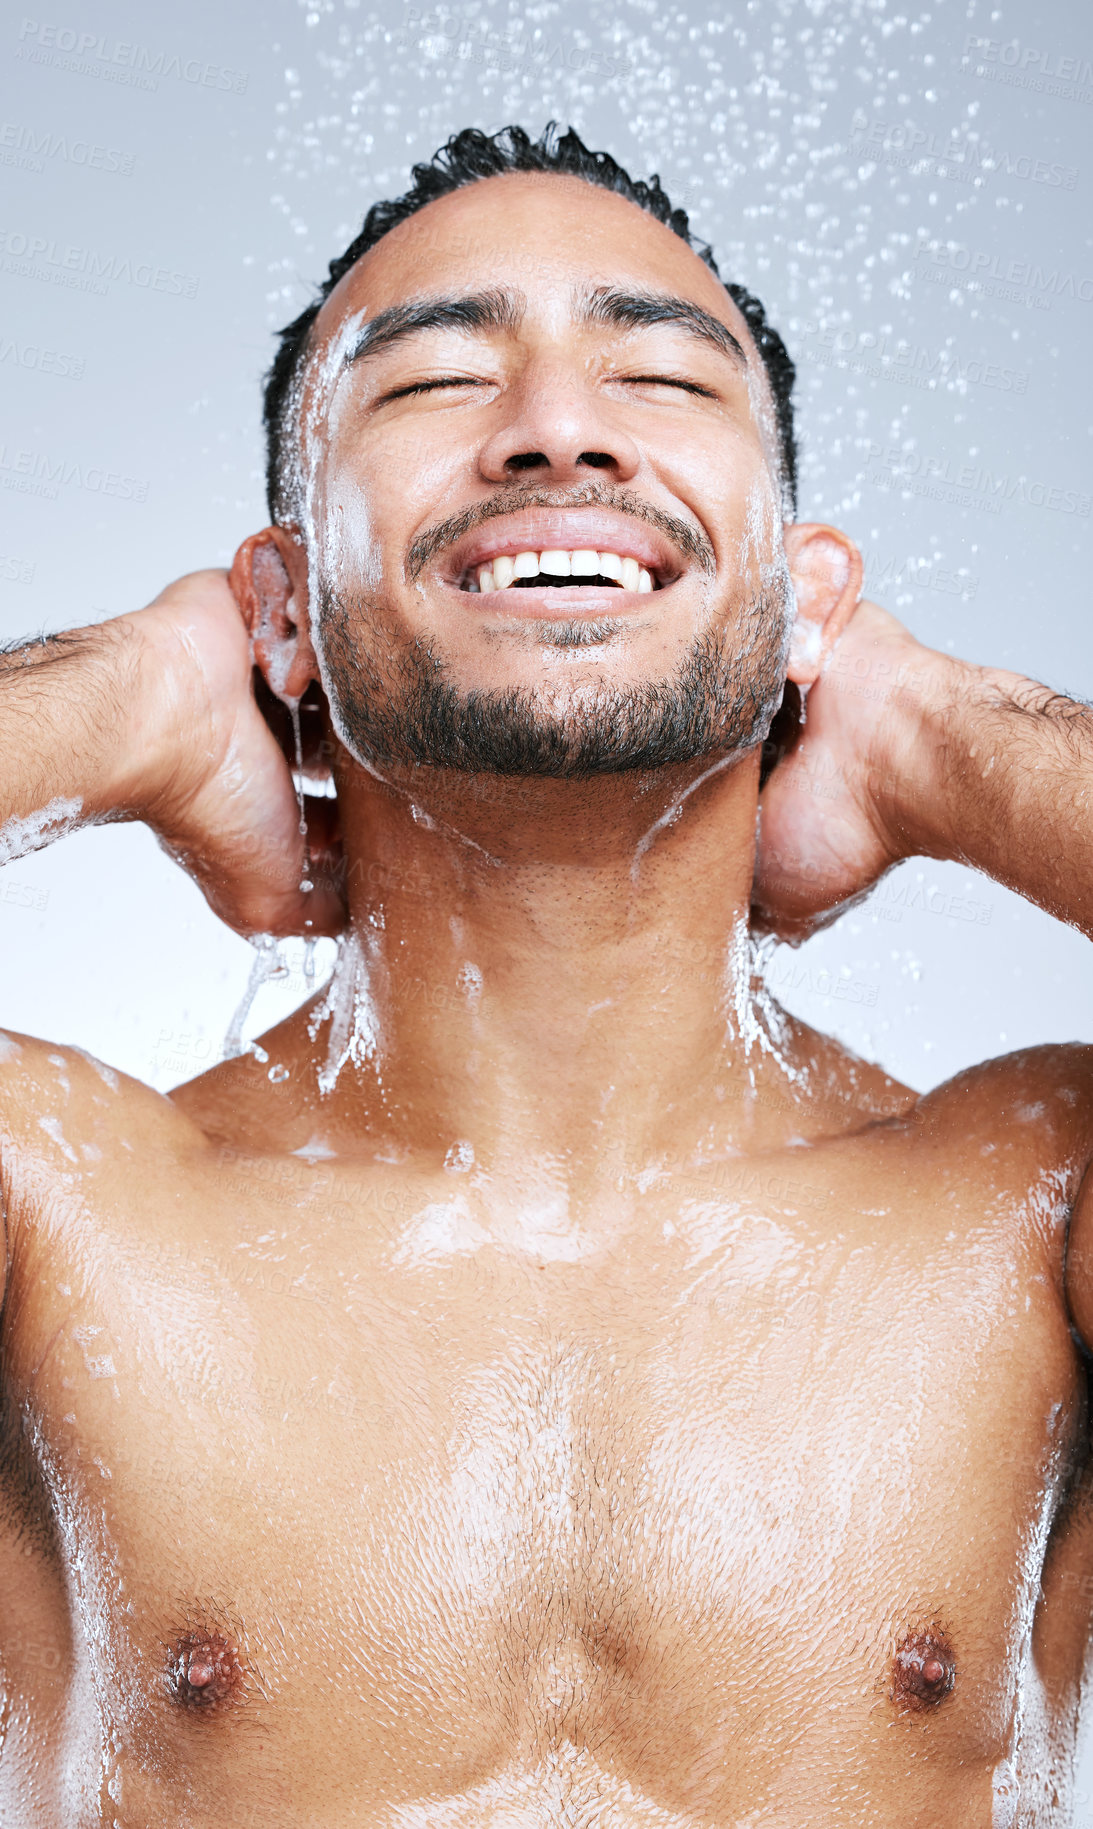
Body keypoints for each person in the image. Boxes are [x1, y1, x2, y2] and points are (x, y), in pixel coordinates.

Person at [0, 121, 1090, 1828]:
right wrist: (118, 698)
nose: (558, 426)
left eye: (660, 374)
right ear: (279, 611)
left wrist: (945, 737)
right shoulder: (68, 1213)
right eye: (435, 379)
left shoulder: (1024, 1203)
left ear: (806, 598)